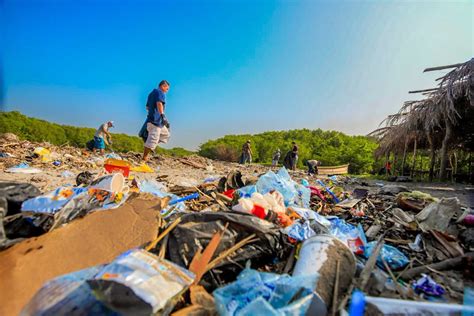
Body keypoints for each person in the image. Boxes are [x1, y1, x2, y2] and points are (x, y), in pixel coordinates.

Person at [141, 80, 171, 162]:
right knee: (153, 140)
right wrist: (162, 115)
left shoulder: (151, 94)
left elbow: (147, 107)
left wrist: (152, 112)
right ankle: (144, 158)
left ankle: (150, 143)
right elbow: (159, 103)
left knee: (166, 134)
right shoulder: (160, 92)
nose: (167, 91)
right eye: (167, 89)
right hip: (155, 121)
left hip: (156, 120)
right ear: (163, 86)